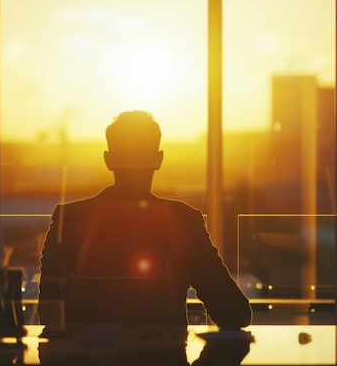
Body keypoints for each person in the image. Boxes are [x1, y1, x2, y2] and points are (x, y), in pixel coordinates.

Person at [37, 111, 252, 336]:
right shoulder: (182, 220)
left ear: (108, 160)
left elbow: (48, 311)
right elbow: (235, 313)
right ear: (158, 159)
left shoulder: (69, 219)